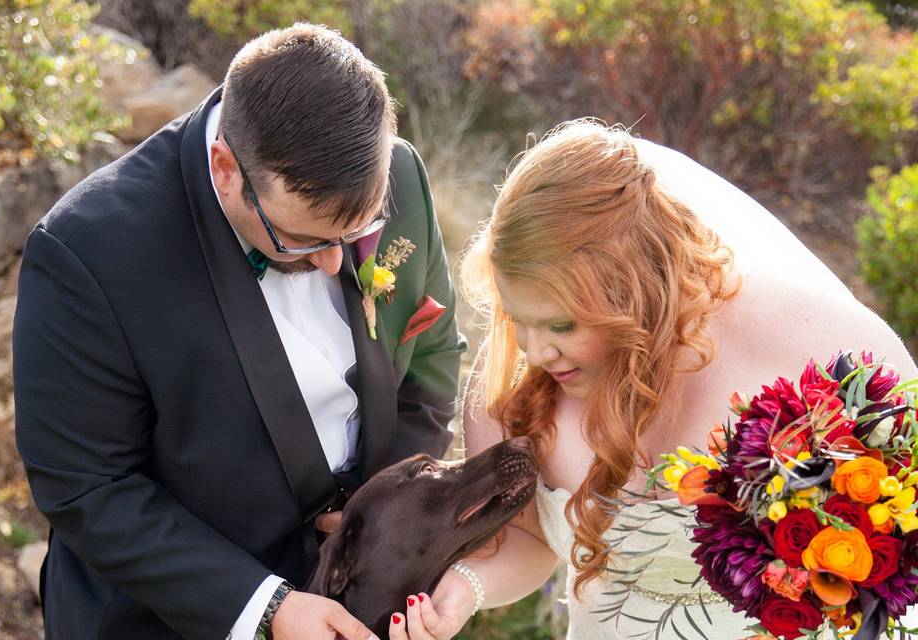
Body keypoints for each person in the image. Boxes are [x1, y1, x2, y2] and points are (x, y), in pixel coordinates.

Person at [13, 23, 465, 640]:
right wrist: (267, 608)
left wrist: (378, 513)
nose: (337, 264)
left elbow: (432, 357)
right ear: (225, 168)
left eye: (356, 235)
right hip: (168, 616)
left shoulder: (400, 173)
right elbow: (88, 488)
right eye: (303, 240)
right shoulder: (85, 254)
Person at [386, 120, 918, 640]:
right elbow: (528, 538)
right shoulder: (517, 385)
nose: (535, 349)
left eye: (561, 324)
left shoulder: (793, 345)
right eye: (517, 317)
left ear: (635, 295)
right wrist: (467, 587)